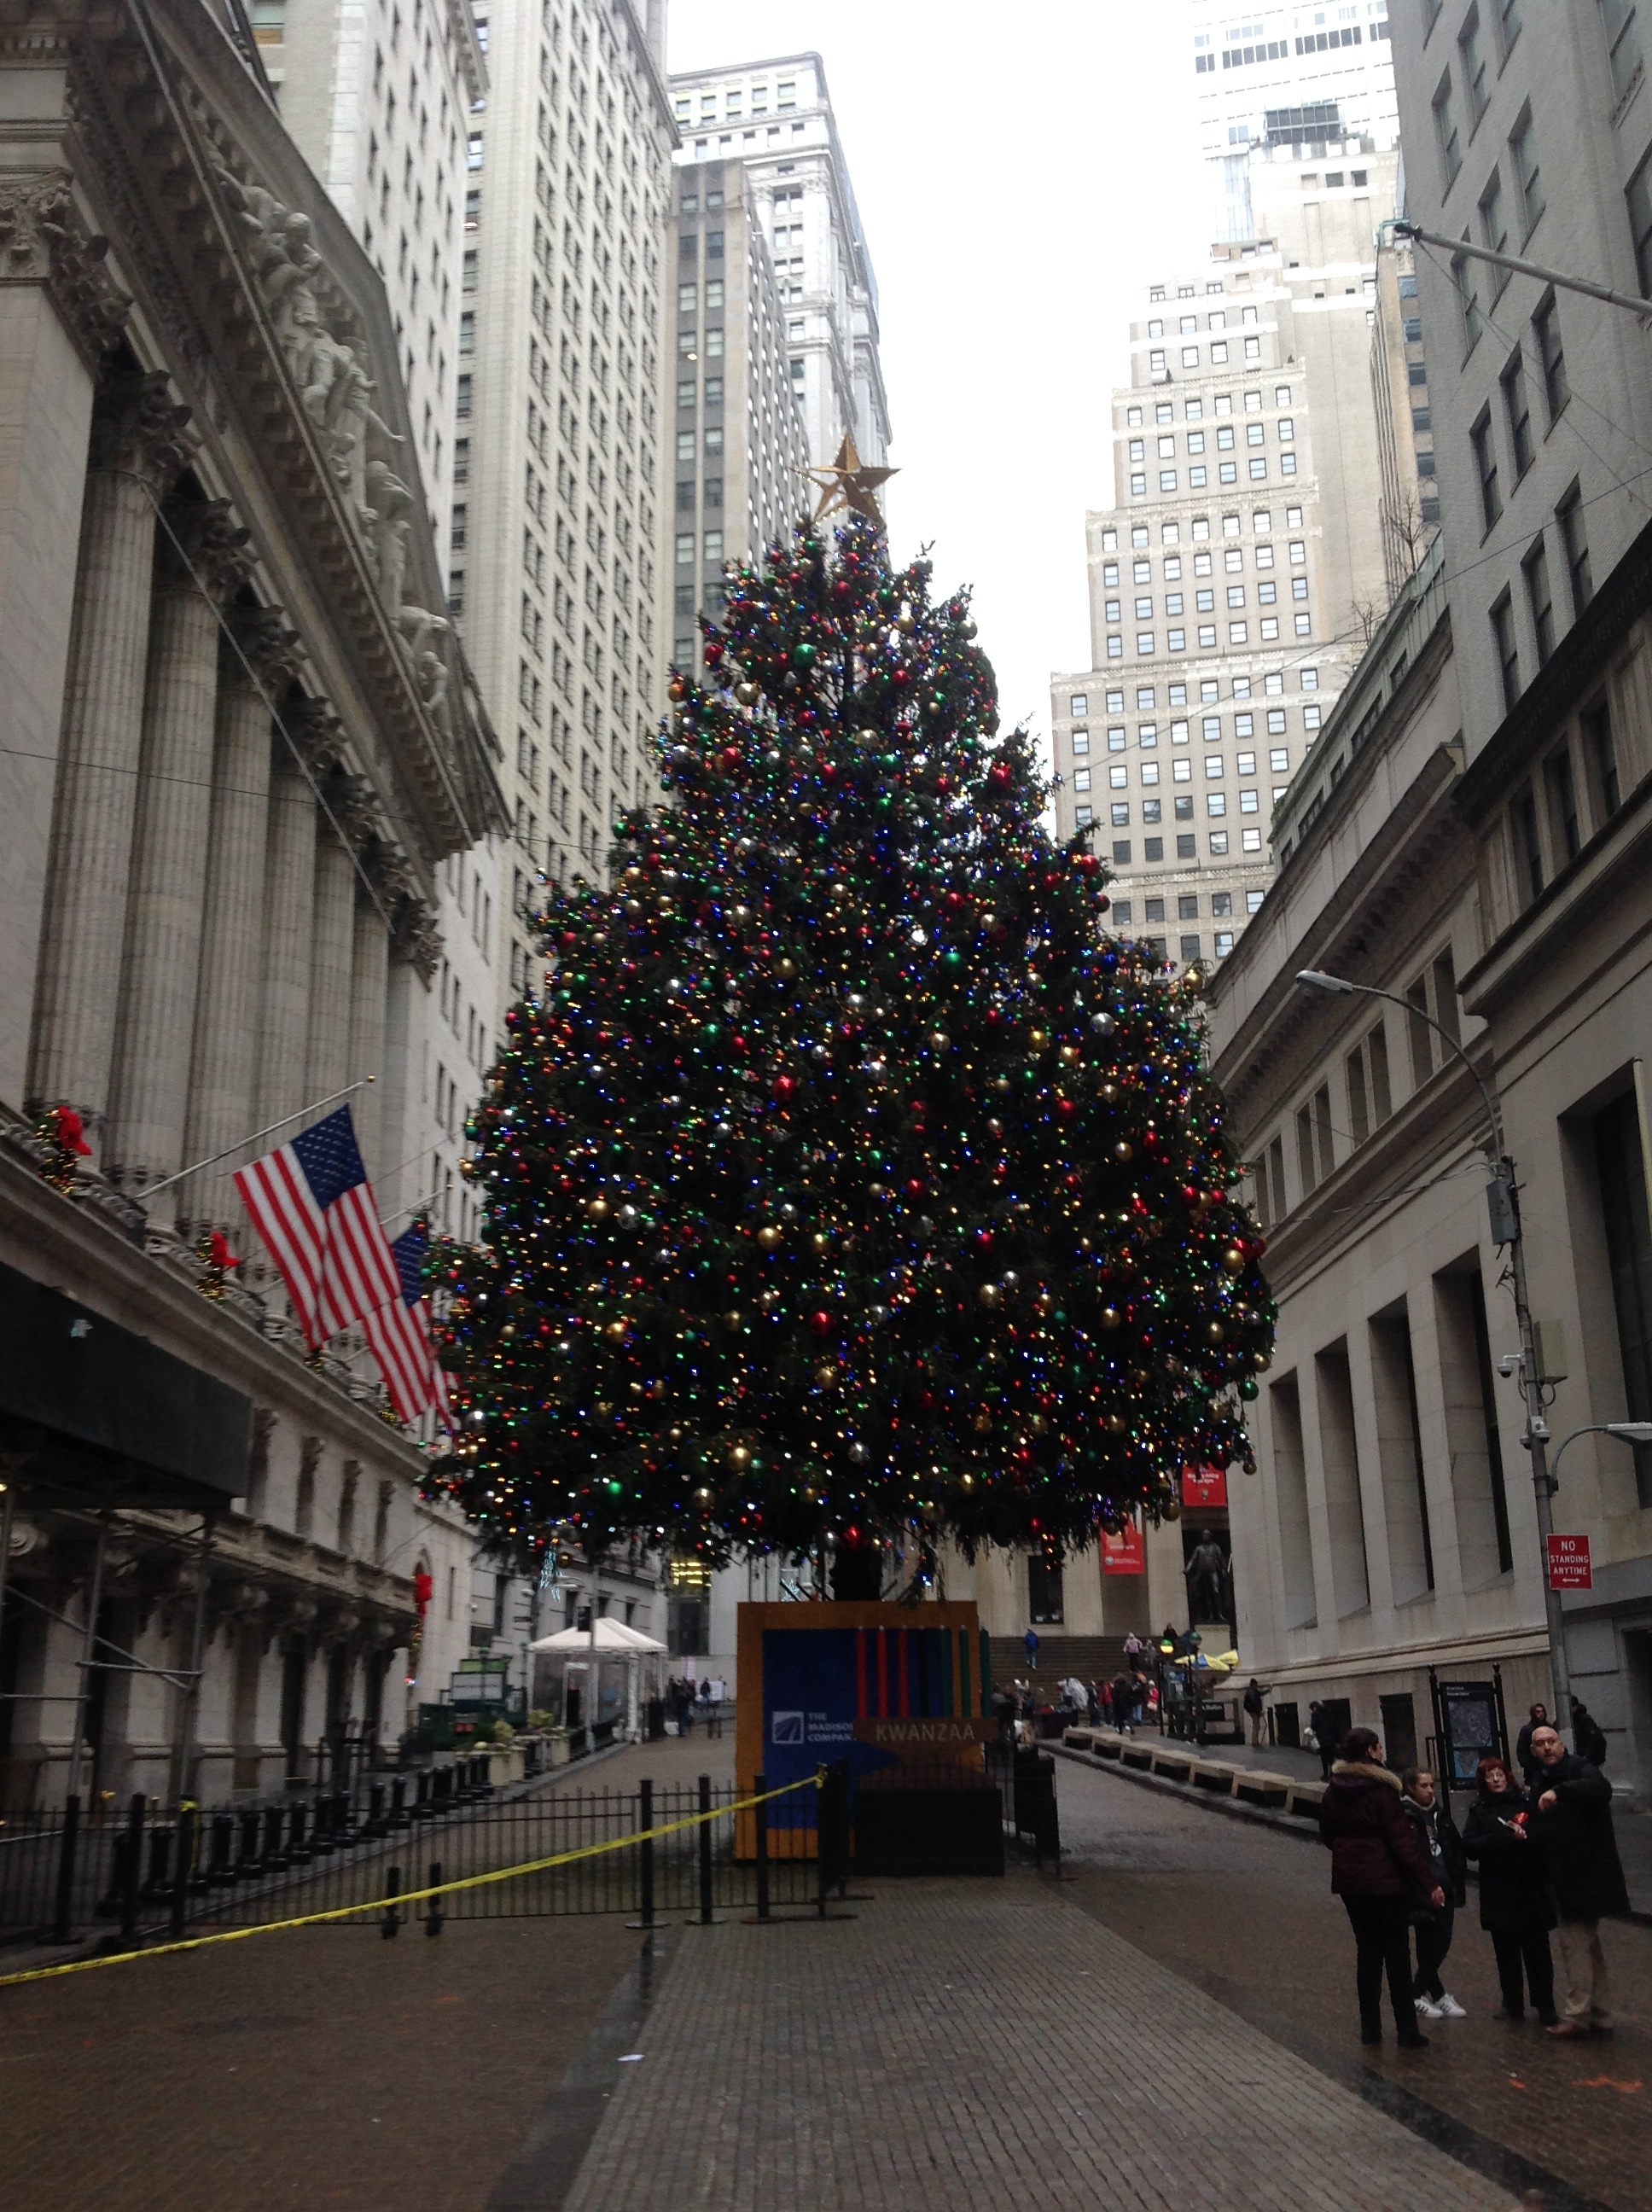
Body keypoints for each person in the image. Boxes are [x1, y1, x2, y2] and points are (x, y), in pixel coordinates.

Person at [1318, 1726, 1443, 2048]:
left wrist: (1348, 1853)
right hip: (1385, 1882)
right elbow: (1403, 1844)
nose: (1383, 1752)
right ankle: (1406, 2030)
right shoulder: (1383, 1791)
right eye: (1379, 1747)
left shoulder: (1333, 1789)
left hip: (1350, 1882)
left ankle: (1370, 2029)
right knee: (1397, 1956)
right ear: (1371, 1751)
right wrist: (1429, 1883)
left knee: (1368, 1952)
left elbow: (1327, 1833)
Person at [1527, 1721, 1630, 2037]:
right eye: (1541, 1743)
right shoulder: (1540, 1778)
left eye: (1552, 1741)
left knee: (1573, 1944)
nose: (1547, 1747)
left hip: (1584, 1878)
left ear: (1562, 1744)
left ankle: (1578, 2014)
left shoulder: (1580, 1769)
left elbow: (1600, 1789)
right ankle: (1600, 2013)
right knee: (1588, 1946)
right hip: (1562, 1877)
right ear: (1533, 1750)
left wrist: (1559, 1792)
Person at [1461, 1755, 1557, 2025]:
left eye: (1499, 1775)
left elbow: (1543, 1837)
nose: (1495, 1780)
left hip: (1528, 1887)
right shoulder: (1479, 1810)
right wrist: (1502, 1839)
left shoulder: (1526, 1802)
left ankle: (1545, 2004)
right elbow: (1470, 1846)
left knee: (1537, 1951)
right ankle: (1512, 2003)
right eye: (1489, 1776)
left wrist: (1526, 1838)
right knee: (1506, 1951)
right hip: (1498, 1889)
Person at [1399, 1767, 1468, 2020]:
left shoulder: (1439, 1814)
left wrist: (1456, 1874)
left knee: (1438, 1944)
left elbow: (1454, 1846)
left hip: (1445, 1885)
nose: (1430, 1791)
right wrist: (1424, 1885)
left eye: (1432, 1785)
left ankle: (1436, 1994)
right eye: (1424, 1786)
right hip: (1423, 1889)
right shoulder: (1407, 1815)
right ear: (1410, 1788)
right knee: (1433, 1944)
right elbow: (1410, 1855)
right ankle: (1416, 1993)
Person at [1515, 1702, 1549, 1789]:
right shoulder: (1527, 1730)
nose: (1541, 1714)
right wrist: (1528, 1765)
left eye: (1542, 1711)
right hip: (1533, 1770)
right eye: (1538, 1712)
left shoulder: (1549, 1727)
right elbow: (1522, 1749)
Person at [1571, 1698, 1608, 1768]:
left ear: (1575, 1707)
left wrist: (1587, 1756)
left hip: (1588, 1756)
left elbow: (1594, 1739)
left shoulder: (1584, 1720)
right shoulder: (1572, 1720)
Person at [1309, 1700, 1336, 1782]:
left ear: (1313, 1707)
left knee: (1324, 1757)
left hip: (1322, 1738)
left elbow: (1313, 1725)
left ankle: (1326, 1774)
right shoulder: (1328, 1711)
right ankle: (1333, 1773)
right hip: (1331, 1737)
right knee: (1331, 1757)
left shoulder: (1315, 1714)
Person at [1242, 1676, 1272, 1749]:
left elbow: (1260, 1693)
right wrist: (1259, 1711)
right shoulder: (1252, 1692)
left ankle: (1255, 1741)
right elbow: (1254, 1702)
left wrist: (1268, 1690)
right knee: (1256, 1726)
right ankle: (1255, 1742)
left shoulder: (1251, 1691)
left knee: (1257, 1725)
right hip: (1254, 1711)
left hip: (1252, 1711)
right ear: (1254, 1684)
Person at [1111, 1671, 1134, 1737]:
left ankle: (1121, 1730)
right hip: (1127, 1704)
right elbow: (1131, 1694)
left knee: (1120, 1718)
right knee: (1129, 1716)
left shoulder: (1116, 1687)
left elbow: (1114, 1696)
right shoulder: (1128, 1686)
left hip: (1119, 1705)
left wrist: (1115, 1703)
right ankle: (1131, 1725)